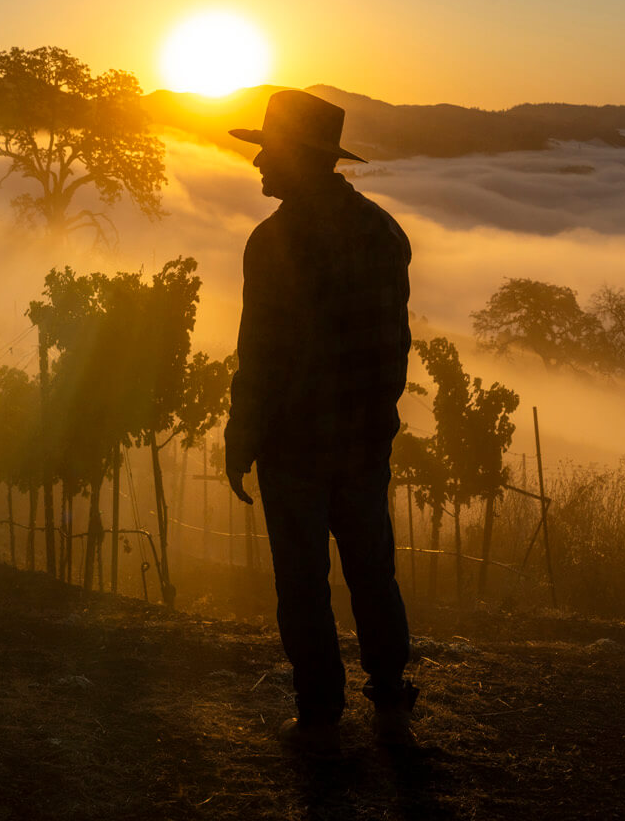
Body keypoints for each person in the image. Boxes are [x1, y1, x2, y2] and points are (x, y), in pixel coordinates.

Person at [222, 89, 418, 754]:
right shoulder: (384, 231)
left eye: (267, 153)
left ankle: (319, 711)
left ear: (297, 159)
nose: (257, 166)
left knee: (303, 581)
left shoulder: (273, 243)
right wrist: (376, 423)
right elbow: (396, 344)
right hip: (364, 442)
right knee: (373, 570)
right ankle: (391, 694)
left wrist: (240, 438)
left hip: (297, 447)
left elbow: (262, 356)